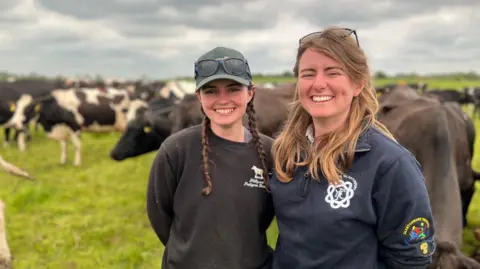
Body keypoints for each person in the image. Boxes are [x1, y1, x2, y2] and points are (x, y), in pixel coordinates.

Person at [269, 27, 436, 268]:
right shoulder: (286, 152)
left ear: (358, 84)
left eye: (332, 72)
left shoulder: (390, 164)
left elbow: (411, 258)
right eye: (308, 74)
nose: (318, 84)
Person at [146, 46, 275, 269]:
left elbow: (267, 217)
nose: (222, 99)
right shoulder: (176, 150)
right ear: (199, 96)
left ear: (250, 93)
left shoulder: (269, 152)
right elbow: (160, 216)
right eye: (211, 91)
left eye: (233, 89)